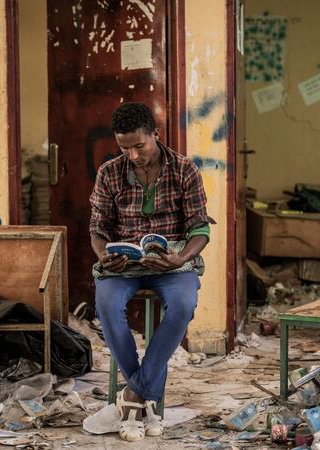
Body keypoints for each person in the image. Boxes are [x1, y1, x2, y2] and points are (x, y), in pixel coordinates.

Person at [88, 102, 210, 441]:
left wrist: (179, 258)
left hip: (171, 263)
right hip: (124, 264)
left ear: (155, 135)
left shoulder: (184, 169)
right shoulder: (109, 172)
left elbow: (200, 228)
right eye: (124, 147)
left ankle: (132, 399)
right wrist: (105, 255)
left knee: (184, 305)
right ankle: (147, 400)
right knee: (108, 307)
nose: (133, 154)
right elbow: (97, 227)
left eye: (139, 145)